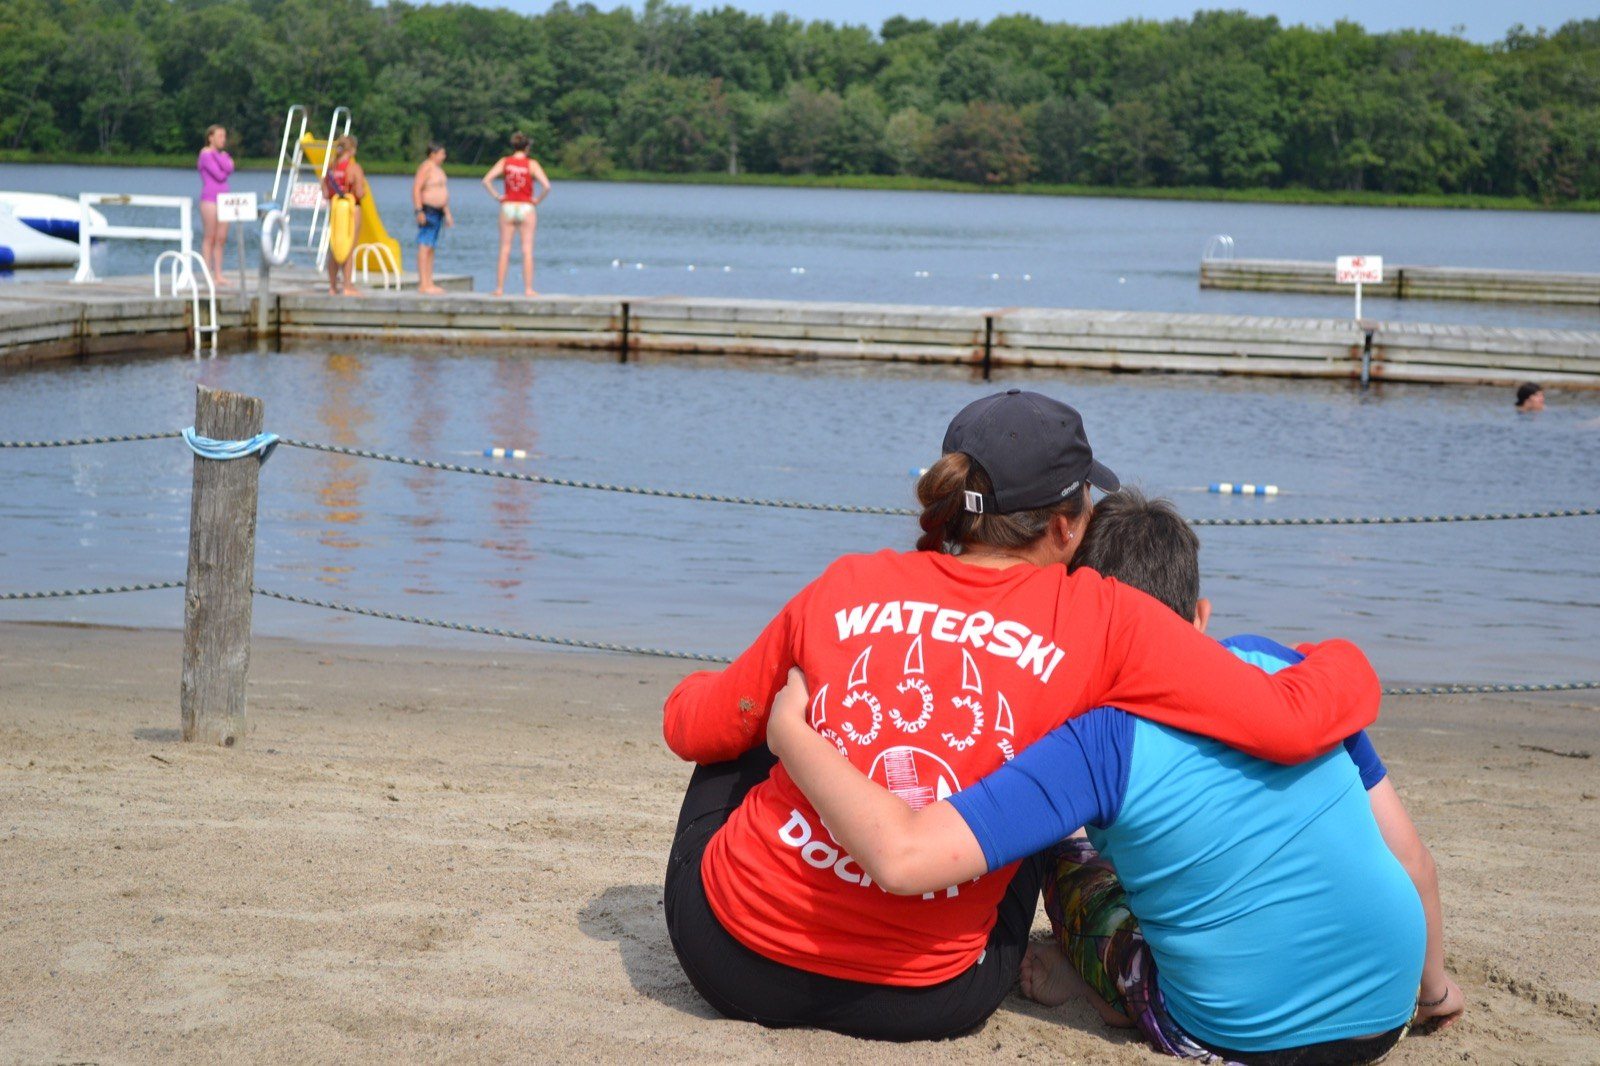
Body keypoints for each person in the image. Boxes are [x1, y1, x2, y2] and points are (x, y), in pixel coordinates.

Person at [662, 388, 1383, 1041]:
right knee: (1050, 759)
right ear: (1069, 528)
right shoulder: (1102, 619)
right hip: (929, 996)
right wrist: (1337, 655)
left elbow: (691, 726)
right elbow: (1288, 723)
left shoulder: (847, 581)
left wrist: (722, 692)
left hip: (732, 958)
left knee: (752, 720)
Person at [766, 488, 1464, 1062]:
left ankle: (1106, 989)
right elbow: (1414, 862)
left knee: (1063, 845)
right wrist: (1433, 993)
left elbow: (910, 856)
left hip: (1231, 1034)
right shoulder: (1279, 669)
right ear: (1200, 617)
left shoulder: (1099, 740)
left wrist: (791, 732)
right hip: (1385, 1012)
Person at [481, 132, 550, 297]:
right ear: (527, 147)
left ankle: (499, 288)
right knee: (527, 250)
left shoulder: (505, 162)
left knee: (504, 249)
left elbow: (486, 180)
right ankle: (528, 289)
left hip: (508, 206)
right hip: (526, 207)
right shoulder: (531, 164)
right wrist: (537, 200)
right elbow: (547, 186)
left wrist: (498, 196)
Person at [323, 135, 367, 297]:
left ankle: (332, 287)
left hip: (335, 209)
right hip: (351, 209)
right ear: (353, 150)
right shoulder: (353, 168)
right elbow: (360, 192)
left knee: (334, 247)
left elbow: (325, 191)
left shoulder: (331, 167)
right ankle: (347, 286)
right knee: (349, 247)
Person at [197, 125, 235, 287]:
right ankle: (208, 273)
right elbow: (220, 174)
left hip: (224, 199)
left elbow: (230, 168)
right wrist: (224, 159)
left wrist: (225, 161)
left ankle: (218, 274)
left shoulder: (219, 155)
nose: (223, 140)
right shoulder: (205, 154)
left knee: (221, 238)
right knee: (210, 237)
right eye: (220, 136)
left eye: (224, 136)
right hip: (210, 200)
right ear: (210, 137)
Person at [412, 142, 452, 295]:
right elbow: (416, 188)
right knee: (424, 245)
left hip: (438, 211)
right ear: (432, 154)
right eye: (442, 153)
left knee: (431, 247)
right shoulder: (426, 167)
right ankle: (423, 283)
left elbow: (441, 191)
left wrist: (447, 213)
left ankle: (429, 281)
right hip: (427, 210)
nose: (444, 156)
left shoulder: (438, 170)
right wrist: (419, 210)